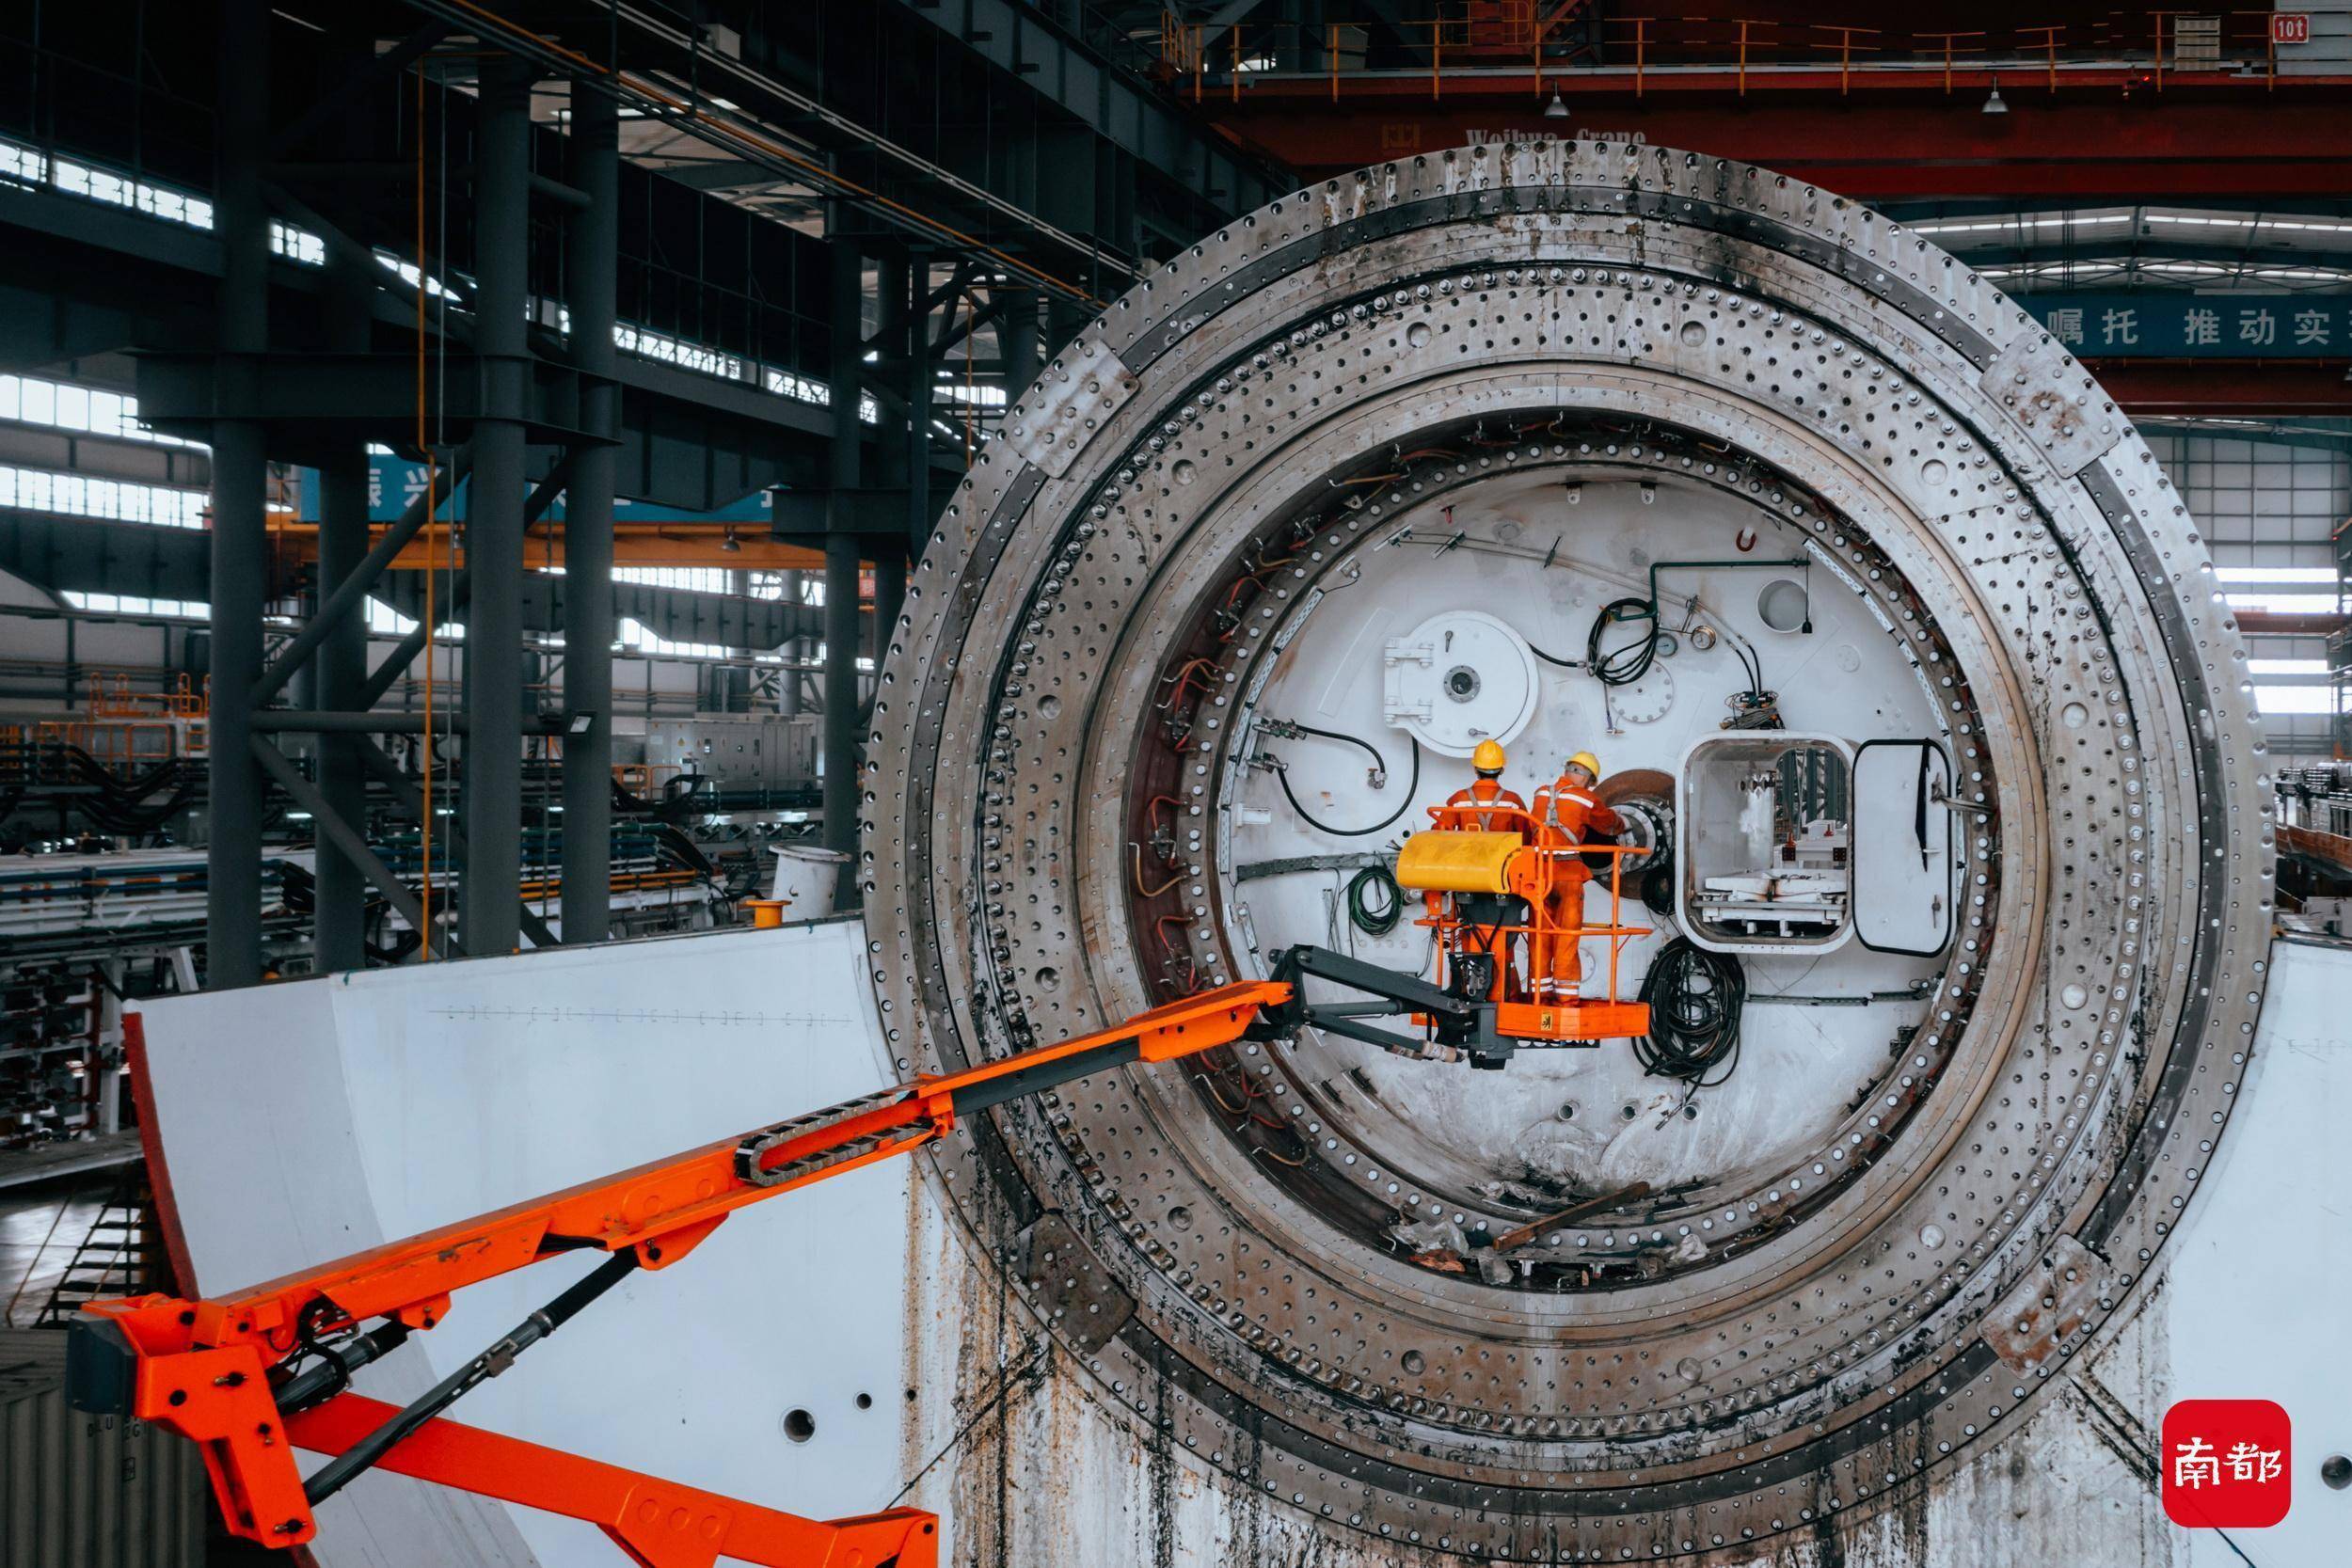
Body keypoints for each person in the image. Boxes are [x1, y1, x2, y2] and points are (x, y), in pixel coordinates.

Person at [1529, 751, 1624, 1001]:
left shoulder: (1540, 792)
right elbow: (1608, 824)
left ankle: (1540, 993)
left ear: (1568, 770)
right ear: (1588, 779)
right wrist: (1623, 823)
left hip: (1537, 875)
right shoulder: (1585, 799)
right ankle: (1566, 997)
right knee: (1566, 937)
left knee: (1539, 935)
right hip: (1568, 876)